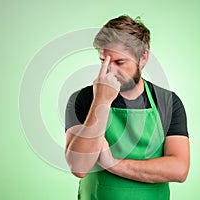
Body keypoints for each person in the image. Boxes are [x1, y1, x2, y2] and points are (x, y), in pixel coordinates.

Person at [64, 15, 190, 200]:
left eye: (119, 62)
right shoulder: (83, 99)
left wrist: (113, 164)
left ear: (143, 57)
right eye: (103, 61)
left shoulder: (168, 102)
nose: (110, 71)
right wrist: (101, 101)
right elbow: (79, 166)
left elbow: (179, 169)